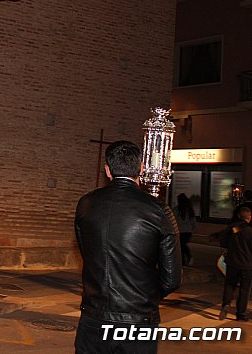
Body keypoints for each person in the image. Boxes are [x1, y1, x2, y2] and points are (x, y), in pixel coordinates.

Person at [74, 140, 182, 354]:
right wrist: (144, 297)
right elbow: (172, 279)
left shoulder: (86, 204)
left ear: (107, 170)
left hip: (94, 315)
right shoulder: (159, 210)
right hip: (139, 319)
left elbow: (87, 252)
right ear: (141, 168)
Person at [219, 206, 252, 322]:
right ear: (249, 217)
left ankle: (226, 304)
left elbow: (223, 242)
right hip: (247, 264)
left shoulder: (233, 229)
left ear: (238, 216)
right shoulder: (249, 231)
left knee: (229, 284)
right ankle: (240, 313)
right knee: (244, 289)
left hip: (232, 262)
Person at [173, 193, 197, 266]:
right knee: (183, 245)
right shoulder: (189, 210)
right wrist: (192, 229)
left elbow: (173, 221)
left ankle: (184, 260)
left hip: (179, 231)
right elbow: (193, 222)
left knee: (181, 246)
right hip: (187, 231)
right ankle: (186, 259)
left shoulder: (176, 210)